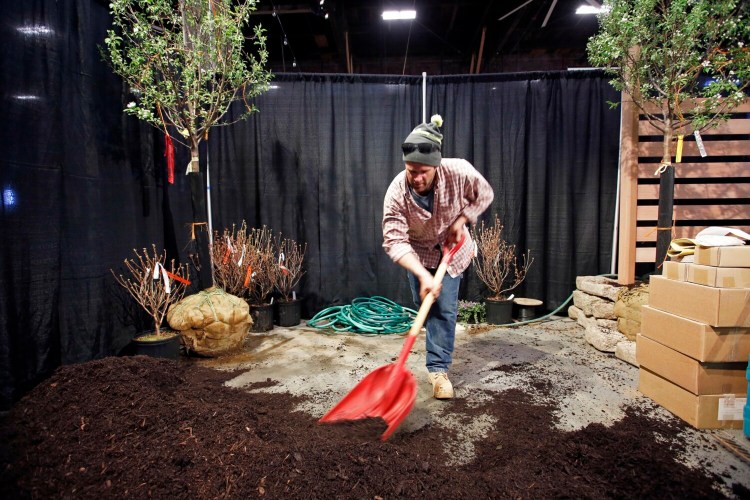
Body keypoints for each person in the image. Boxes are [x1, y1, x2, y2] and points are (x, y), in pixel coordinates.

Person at [382, 114, 494, 399]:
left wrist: (463, 219)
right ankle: (435, 350)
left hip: (453, 251)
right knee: (426, 306)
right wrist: (421, 275)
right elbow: (394, 240)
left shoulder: (458, 171)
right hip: (417, 253)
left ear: (436, 166)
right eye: (411, 170)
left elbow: (484, 194)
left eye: (423, 172)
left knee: (444, 310)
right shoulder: (396, 192)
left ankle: (438, 370)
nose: (417, 178)